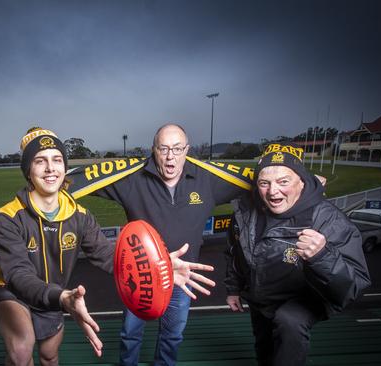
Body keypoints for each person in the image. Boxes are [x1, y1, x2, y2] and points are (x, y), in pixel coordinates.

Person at [0, 127, 216, 365]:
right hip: (14, 291)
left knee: (49, 354)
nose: (50, 168)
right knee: (21, 352)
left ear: (65, 167)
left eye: (57, 160)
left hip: (56, 294)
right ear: (28, 170)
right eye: (39, 161)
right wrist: (62, 297)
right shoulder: (7, 217)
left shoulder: (80, 216)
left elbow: (110, 255)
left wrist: (158, 266)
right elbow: (18, 274)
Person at [65, 123, 252, 365]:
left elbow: (264, 181)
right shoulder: (132, 178)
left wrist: (306, 181)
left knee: (172, 335)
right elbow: (76, 180)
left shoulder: (208, 179)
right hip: (141, 275)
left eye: (177, 148)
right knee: (130, 333)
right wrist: (48, 180)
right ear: (153, 150)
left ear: (187, 149)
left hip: (182, 276)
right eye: (163, 148)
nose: (170, 155)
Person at [224, 143, 371, 366]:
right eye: (265, 183)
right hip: (260, 296)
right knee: (264, 348)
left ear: (301, 182)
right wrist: (234, 288)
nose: (273, 191)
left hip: (303, 298)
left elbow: (353, 286)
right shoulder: (245, 212)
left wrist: (322, 256)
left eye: (284, 182)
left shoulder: (327, 219)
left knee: (288, 322)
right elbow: (236, 251)